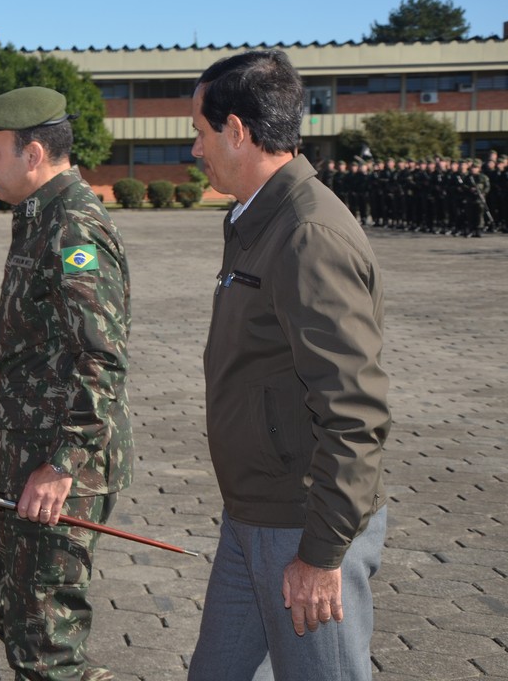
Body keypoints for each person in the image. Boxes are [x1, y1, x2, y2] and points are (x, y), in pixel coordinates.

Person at [185, 50, 390, 681]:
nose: (195, 150)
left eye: (199, 131)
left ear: (237, 131)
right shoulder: (255, 219)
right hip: (252, 514)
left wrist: (322, 553)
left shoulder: (307, 234)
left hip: (301, 528)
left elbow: (354, 409)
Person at [0, 86, 132, 681]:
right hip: (31, 452)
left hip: (59, 467)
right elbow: (38, 350)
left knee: (48, 642)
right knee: (17, 616)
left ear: (33, 154)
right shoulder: (38, 216)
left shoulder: (73, 227)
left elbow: (100, 358)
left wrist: (63, 462)